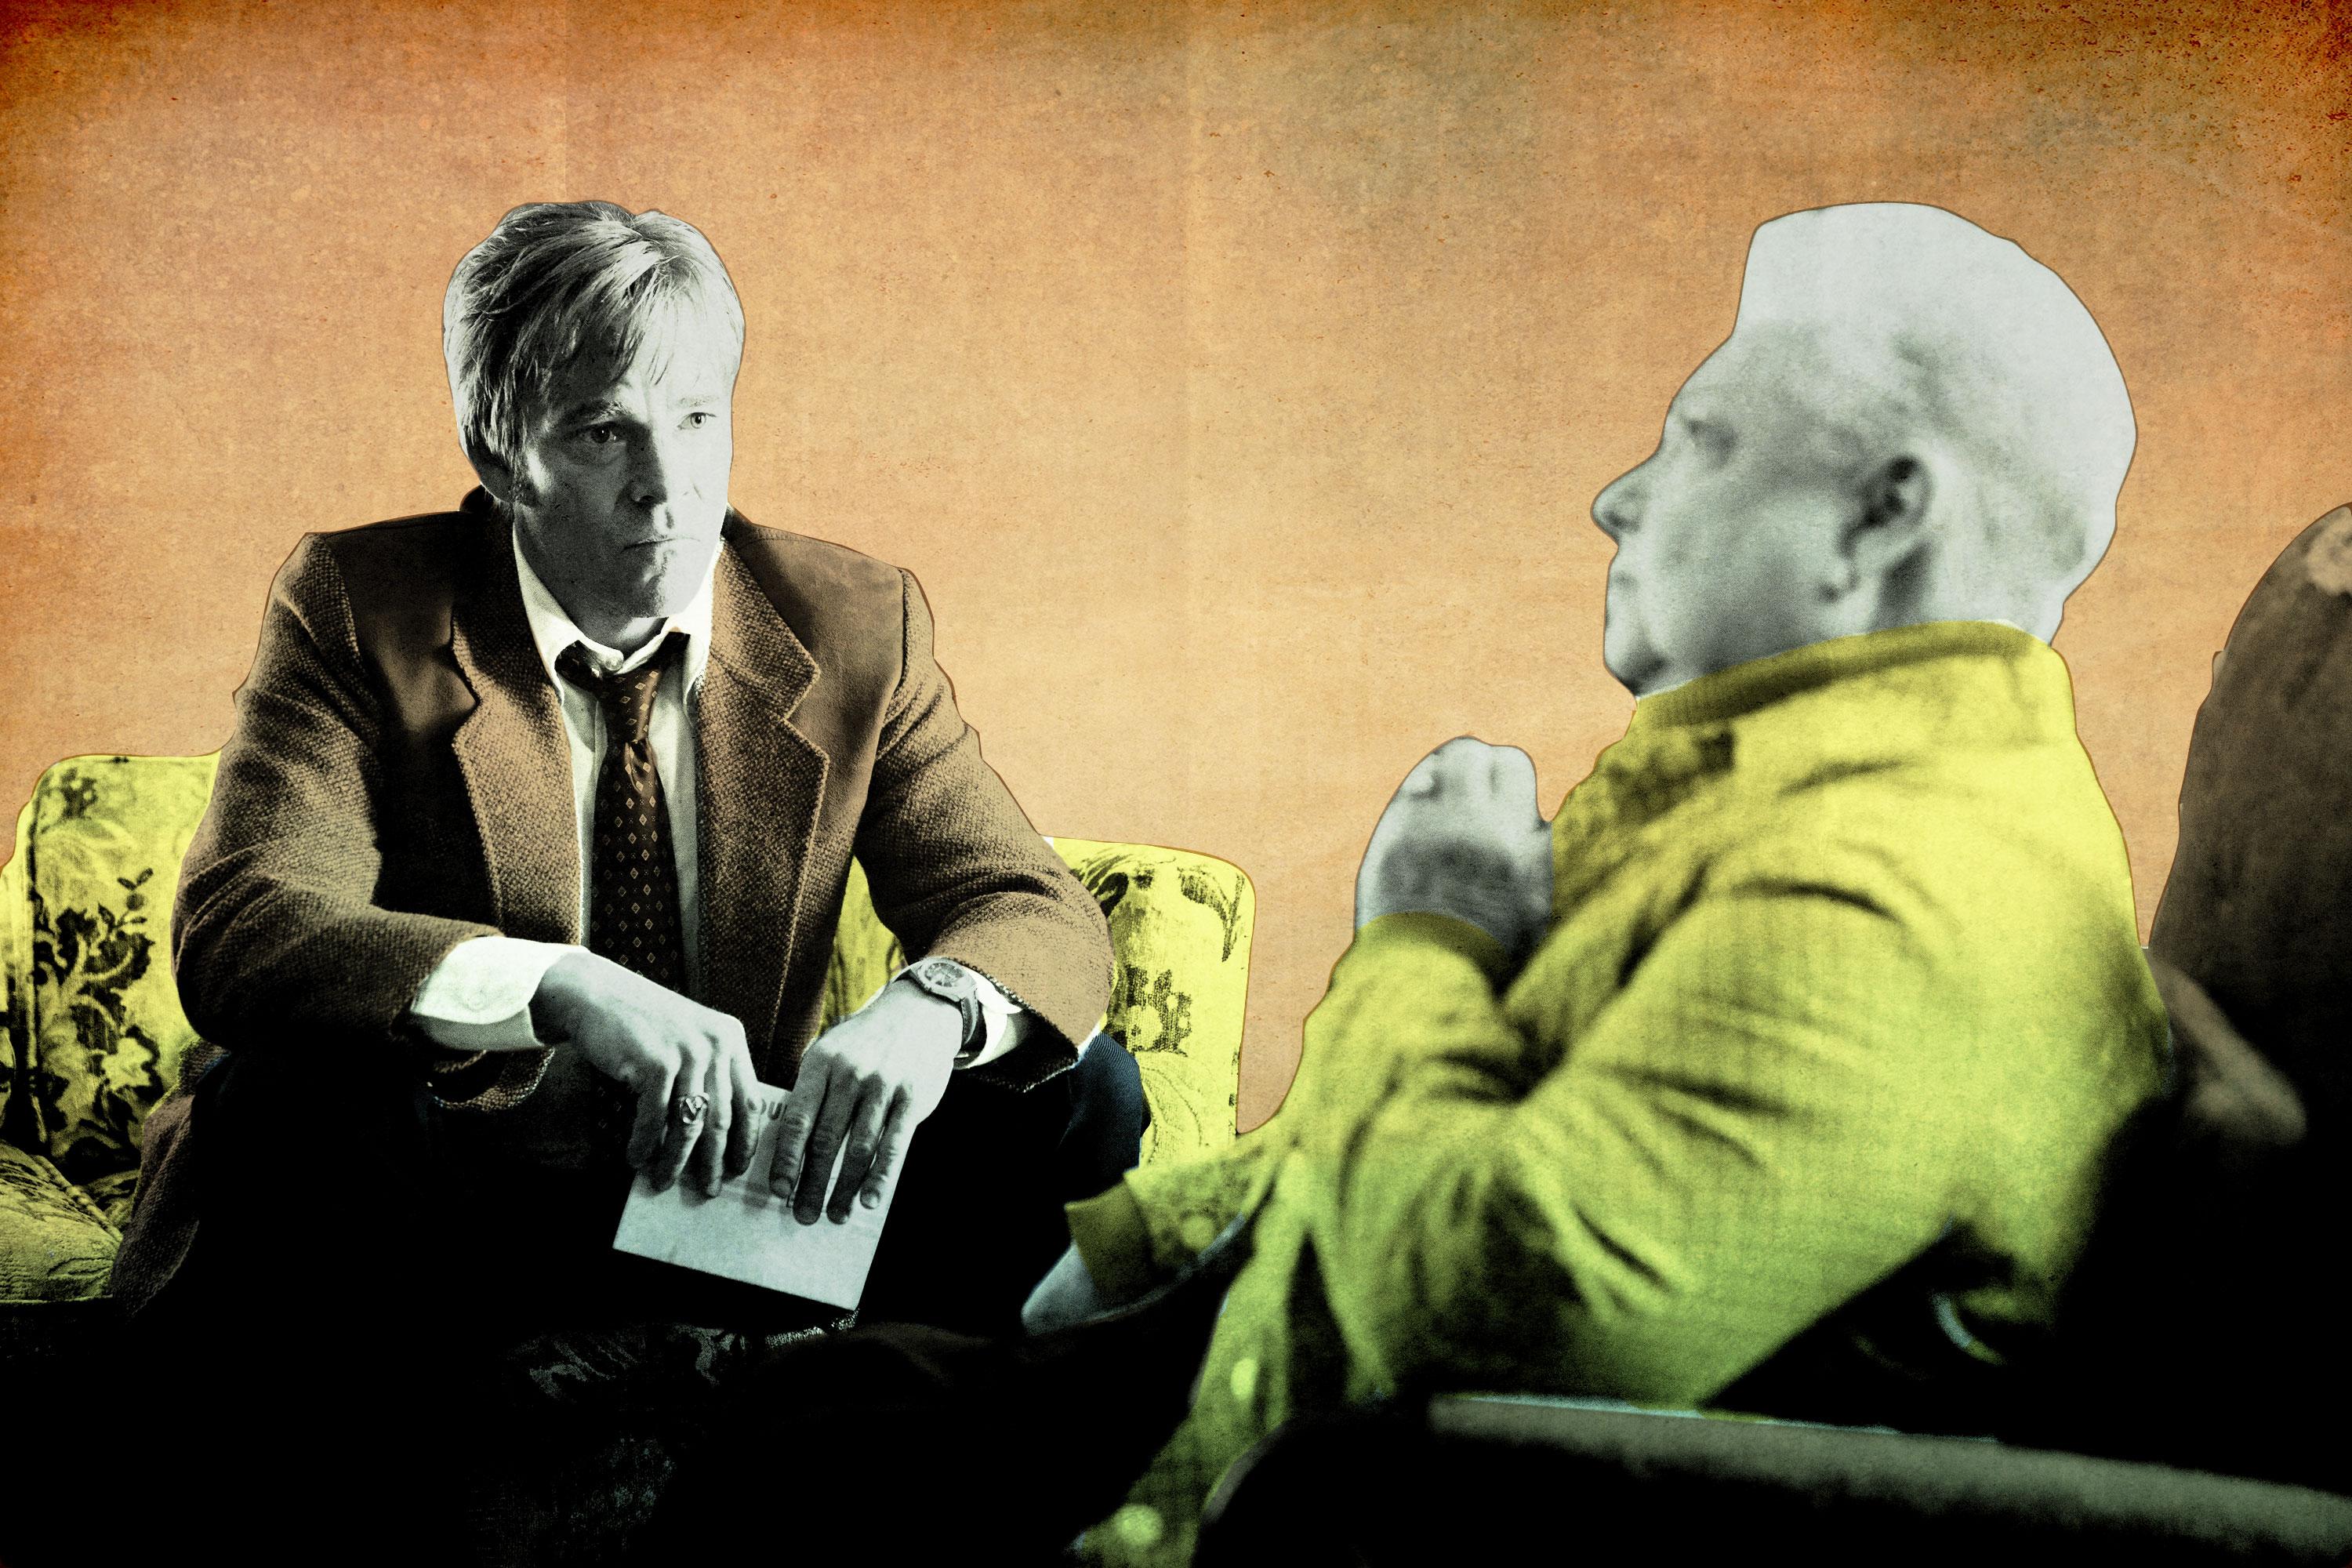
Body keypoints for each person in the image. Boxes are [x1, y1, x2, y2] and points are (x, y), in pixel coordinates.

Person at [1017, 201, 2172, 1565]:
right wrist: (1152, 1236)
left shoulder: (1906, 891)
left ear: (1880, 515)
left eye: (1703, 440)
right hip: (1223, 1444)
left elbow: (1486, 1316)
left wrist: (1424, 937)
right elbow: (1473, 1109)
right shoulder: (1784, 789)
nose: (1617, 498)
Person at [107, 201, 1137, 1555]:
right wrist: (559, 988)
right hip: (459, 1213)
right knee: (287, 1095)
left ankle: (911, 1502)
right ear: (501, 454)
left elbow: (1028, 905)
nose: (669, 487)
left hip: (746, 1204)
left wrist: (930, 1010)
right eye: (604, 433)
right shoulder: (366, 605)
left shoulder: (850, 622)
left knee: (1076, 1087)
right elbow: (247, 923)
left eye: (697, 420)